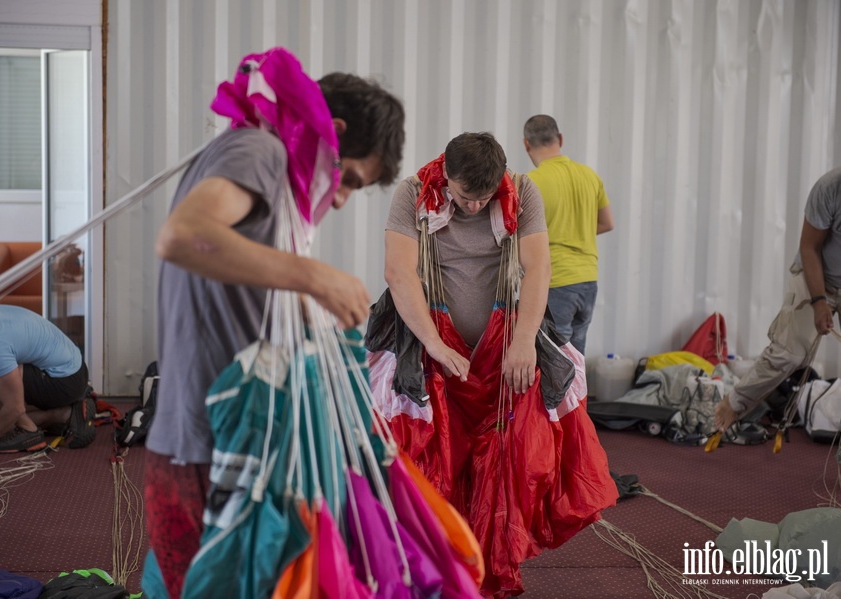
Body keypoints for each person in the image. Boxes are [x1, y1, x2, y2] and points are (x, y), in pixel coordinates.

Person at [144, 48, 405, 598]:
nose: (340, 200)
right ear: (332, 133)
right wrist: (314, 277)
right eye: (351, 179)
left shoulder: (264, 165)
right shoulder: (257, 149)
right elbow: (182, 235)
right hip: (206, 446)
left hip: (227, 438)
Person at [382, 132, 617, 597]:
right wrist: (432, 342)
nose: (474, 209)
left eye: (485, 199)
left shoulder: (522, 191)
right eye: (466, 198)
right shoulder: (411, 193)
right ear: (446, 177)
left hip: (501, 343)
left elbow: (538, 268)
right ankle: (436, 567)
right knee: (433, 459)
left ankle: (488, 565)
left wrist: (525, 341)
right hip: (435, 340)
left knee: (511, 455)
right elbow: (398, 272)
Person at [715, 167, 841, 432]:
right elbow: (809, 247)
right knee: (789, 354)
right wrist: (819, 302)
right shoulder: (830, 188)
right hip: (818, 275)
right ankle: (734, 403)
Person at [0, 305, 93, 455]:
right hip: (72, 369)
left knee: (0, 417)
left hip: (65, 381)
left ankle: (30, 430)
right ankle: (67, 414)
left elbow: (16, 408)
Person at [523, 114, 613, 354]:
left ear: (526, 144)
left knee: (554, 362)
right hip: (588, 279)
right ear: (560, 139)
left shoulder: (530, 183)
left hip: (556, 281)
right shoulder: (589, 176)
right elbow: (607, 223)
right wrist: (577, 231)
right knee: (576, 358)